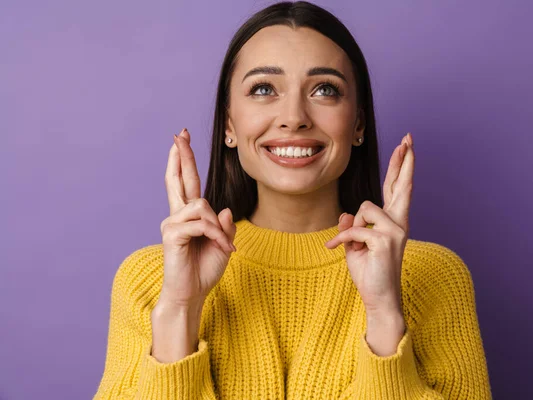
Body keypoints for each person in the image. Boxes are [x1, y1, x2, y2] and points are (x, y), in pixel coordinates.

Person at [93, 1, 492, 399]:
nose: (294, 116)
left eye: (325, 90)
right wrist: (180, 309)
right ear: (229, 125)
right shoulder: (148, 282)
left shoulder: (432, 276)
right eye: (264, 89)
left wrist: (385, 313)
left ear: (358, 124)